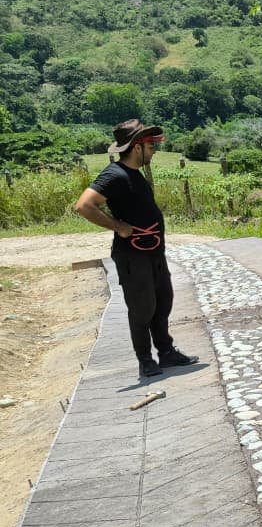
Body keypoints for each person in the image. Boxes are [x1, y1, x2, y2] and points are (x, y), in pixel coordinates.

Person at [74, 119, 198, 381]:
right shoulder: (114, 175)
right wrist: (117, 226)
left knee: (163, 301)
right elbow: (84, 205)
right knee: (142, 307)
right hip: (133, 254)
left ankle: (166, 352)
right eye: (151, 145)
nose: (154, 150)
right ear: (137, 147)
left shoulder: (134, 174)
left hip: (153, 252)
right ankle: (145, 360)